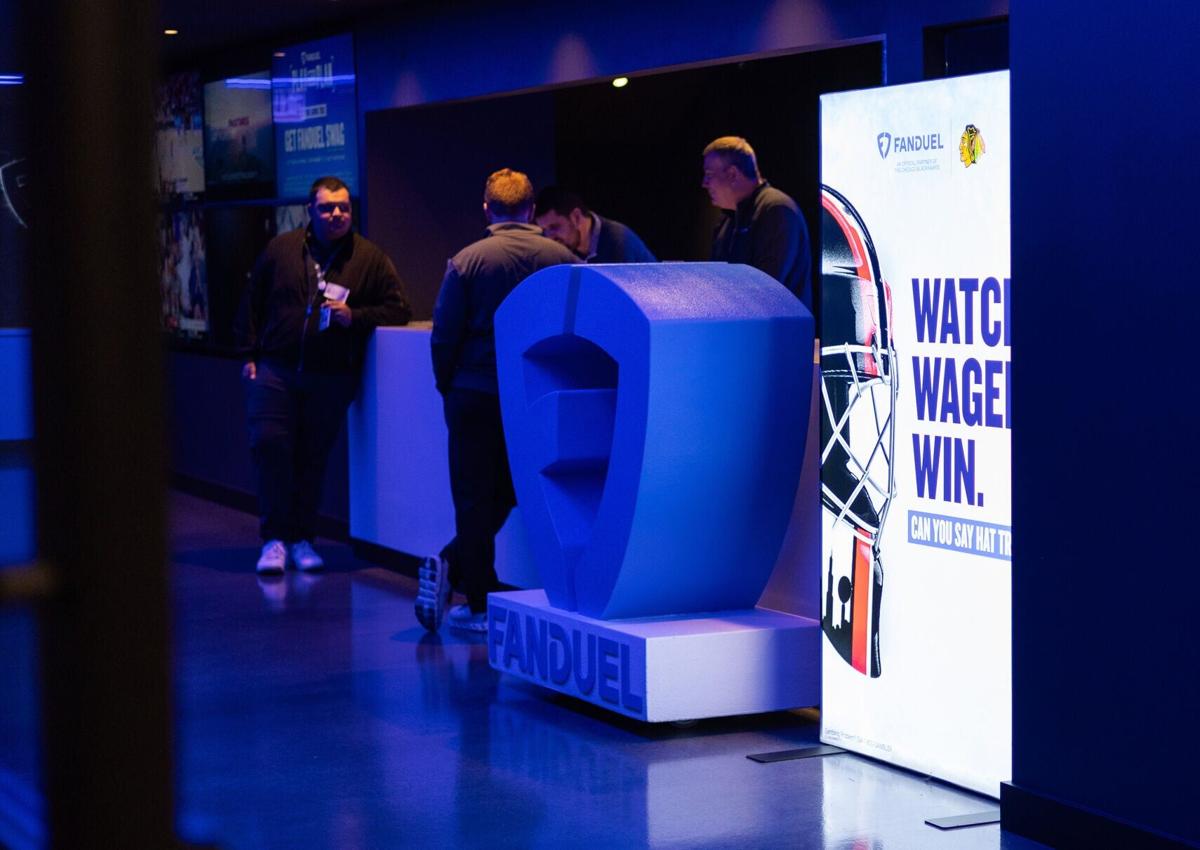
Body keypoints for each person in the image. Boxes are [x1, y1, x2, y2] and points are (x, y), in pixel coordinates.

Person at [421, 169, 580, 633]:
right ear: (531, 209)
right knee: (518, 489)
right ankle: (464, 566)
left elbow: (443, 335)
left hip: (473, 392)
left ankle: (476, 600)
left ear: (487, 208)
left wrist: (447, 386)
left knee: (471, 496)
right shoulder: (564, 259)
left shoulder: (467, 261)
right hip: (539, 395)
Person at [236, 176, 411, 574]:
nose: (337, 214)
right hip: (276, 369)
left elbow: (398, 309)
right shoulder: (282, 250)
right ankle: (273, 541)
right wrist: (247, 352)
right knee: (270, 449)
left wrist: (357, 316)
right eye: (328, 207)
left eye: (344, 208)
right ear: (310, 212)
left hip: (330, 376)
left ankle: (302, 540)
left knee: (312, 459)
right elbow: (251, 301)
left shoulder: (368, 257)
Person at [702, 136, 812, 305]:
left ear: (732, 174)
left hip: (778, 331)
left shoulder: (777, 210)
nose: (704, 183)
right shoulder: (727, 221)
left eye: (709, 175)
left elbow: (765, 290)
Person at [534, 186, 656, 263]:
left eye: (555, 227)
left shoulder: (617, 241)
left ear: (576, 217)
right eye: (545, 230)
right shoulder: (567, 249)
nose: (550, 237)